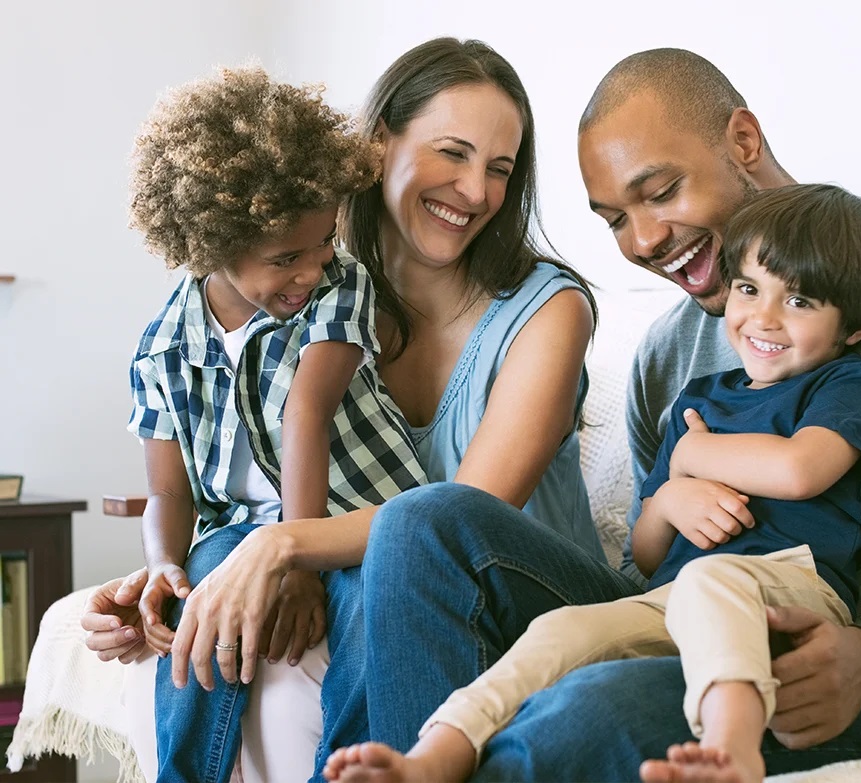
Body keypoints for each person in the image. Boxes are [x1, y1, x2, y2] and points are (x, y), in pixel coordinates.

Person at [344, 46, 861, 781]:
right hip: (685, 625)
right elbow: (649, 562)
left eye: (660, 191)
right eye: (613, 220)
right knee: (423, 522)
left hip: (849, 675)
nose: (642, 241)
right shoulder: (668, 355)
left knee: (584, 710)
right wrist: (671, 498)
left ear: (742, 142)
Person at [81, 38, 606, 783]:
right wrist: (169, 575)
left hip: (521, 593)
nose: (477, 191)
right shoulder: (308, 288)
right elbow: (218, 466)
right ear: (378, 143)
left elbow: (463, 517)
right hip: (383, 569)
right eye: (452, 153)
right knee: (227, 570)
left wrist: (283, 545)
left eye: (499, 168)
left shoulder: (545, 311)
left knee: (395, 549)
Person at [323, 182, 861, 783]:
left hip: (792, 591)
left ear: (853, 327)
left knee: (711, 578)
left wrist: (695, 455)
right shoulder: (699, 400)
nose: (764, 318)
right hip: (670, 599)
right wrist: (672, 495)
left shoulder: (848, 386)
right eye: (749, 289)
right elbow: (648, 555)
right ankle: (434, 756)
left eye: (800, 302)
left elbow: (799, 469)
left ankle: (733, 750)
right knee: (561, 630)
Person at [121, 64, 425, 783]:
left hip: (358, 515)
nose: (311, 269)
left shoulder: (338, 284)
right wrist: (165, 562)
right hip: (239, 529)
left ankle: (350, 771)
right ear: (208, 245)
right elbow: (169, 493)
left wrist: (298, 559)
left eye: (322, 243)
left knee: (367, 606)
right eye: (286, 257)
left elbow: (305, 413)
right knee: (204, 589)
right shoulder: (162, 348)